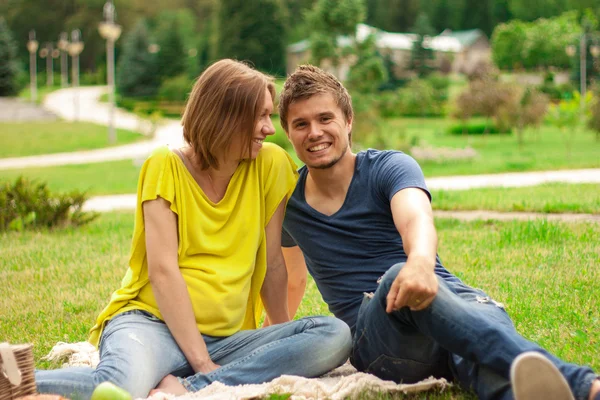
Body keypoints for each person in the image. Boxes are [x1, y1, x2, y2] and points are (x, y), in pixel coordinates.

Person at [277, 64, 600, 400]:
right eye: (301, 124)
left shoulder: (389, 167)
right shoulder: (289, 204)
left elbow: (416, 219)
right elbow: (290, 278)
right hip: (383, 343)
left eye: (325, 119)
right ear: (288, 133)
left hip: (461, 307)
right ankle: (585, 386)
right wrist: (282, 339)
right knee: (397, 280)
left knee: (489, 369)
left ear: (348, 121)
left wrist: (419, 261)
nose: (314, 132)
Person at [35, 60, 351, 399]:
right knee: (118, 386)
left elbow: (273, 261)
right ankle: (16, 375)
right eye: (258, 117)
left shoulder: (270, 165)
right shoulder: (165, 166)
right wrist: (201, 361)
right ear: (224, 116)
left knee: (333, 335)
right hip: (152, 326)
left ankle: (183, 388)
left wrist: (282, 336)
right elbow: (162, 271)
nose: (268, 129)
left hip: (228, 339)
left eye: (268, 116)